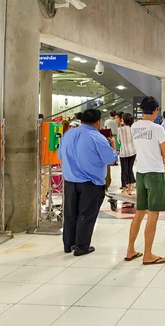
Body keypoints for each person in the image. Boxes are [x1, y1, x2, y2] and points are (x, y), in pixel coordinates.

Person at [59, 109, 118, 256]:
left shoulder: (68, 134)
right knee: (86, 215)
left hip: (70, 181)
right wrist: (113, 145)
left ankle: (68, 244)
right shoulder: (97, 138)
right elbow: (111, 159)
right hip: (91, 183)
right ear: (98, 122)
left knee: (70, 214)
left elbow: (60, 155)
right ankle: (82, 246)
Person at [125, 97, 165, 265]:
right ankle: (148, 254)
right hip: (155, 174)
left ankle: (130, 249)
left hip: (141, 173)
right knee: (153, 215)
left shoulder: (134, 127)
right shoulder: (157, 128)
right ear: (156, 110)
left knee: (139, 213)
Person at [118, 113, 136, 198]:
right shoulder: (133, 129)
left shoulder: (120, 129)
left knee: (124, 171)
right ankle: (129, 189)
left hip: (123, 152)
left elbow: (119, 141)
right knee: (130, 170)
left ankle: (124, 189)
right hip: (132, 151)